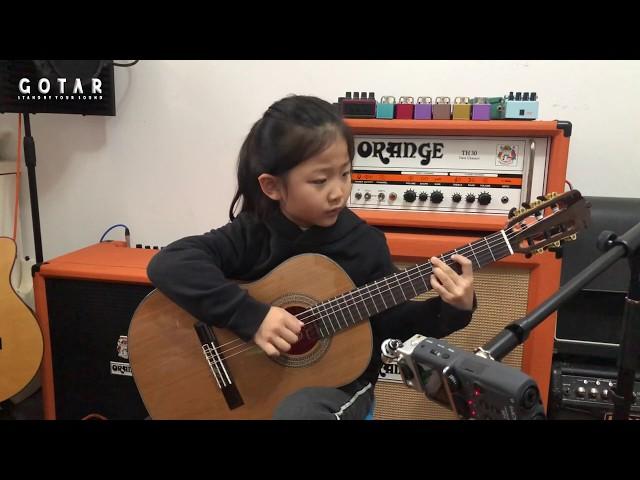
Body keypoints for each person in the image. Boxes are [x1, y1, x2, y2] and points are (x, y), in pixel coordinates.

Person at [147, 94, 476, 419]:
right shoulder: (253, 231)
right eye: (320, 181)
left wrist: (453, 309)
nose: (338, 192)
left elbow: (391, 326)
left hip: (341, 385)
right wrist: (252, 317)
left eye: (345, 174)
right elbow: (171, 263)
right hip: (258, 386)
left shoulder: (364, 244)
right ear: (272, 187)